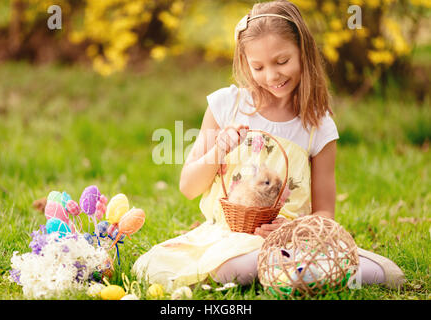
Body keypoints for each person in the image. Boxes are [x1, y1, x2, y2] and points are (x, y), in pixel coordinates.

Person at [132, 0, 405, 292]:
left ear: (303, 51)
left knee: (380, 273)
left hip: (290, 240)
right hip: (228, 237)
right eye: (258, 67)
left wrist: (291, 231)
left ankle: (289, 266)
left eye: (282, 61)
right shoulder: (226, 106)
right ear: (245, 62)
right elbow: (188, 186)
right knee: (206, 266)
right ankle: (289, 272)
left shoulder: (318, 125)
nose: (272, 76)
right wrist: (219, 149)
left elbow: (325, 213)